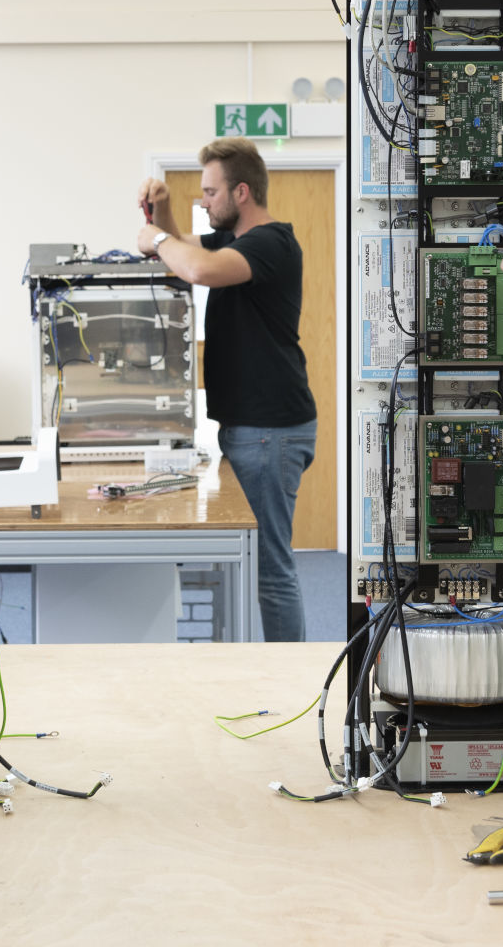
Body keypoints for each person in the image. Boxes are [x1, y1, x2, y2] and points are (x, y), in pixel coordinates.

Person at [136, 138, 317, 641]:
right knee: (265, 563)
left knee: (272, 568)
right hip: (253, 430)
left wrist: (153, 237)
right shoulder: (235, 244)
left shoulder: (270, 243)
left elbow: (194, 268)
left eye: (210, 192)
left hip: (271, 432)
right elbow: (190, 250)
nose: (204, 201)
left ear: (241, 192)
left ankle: (290, 679)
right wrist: (167, 213)